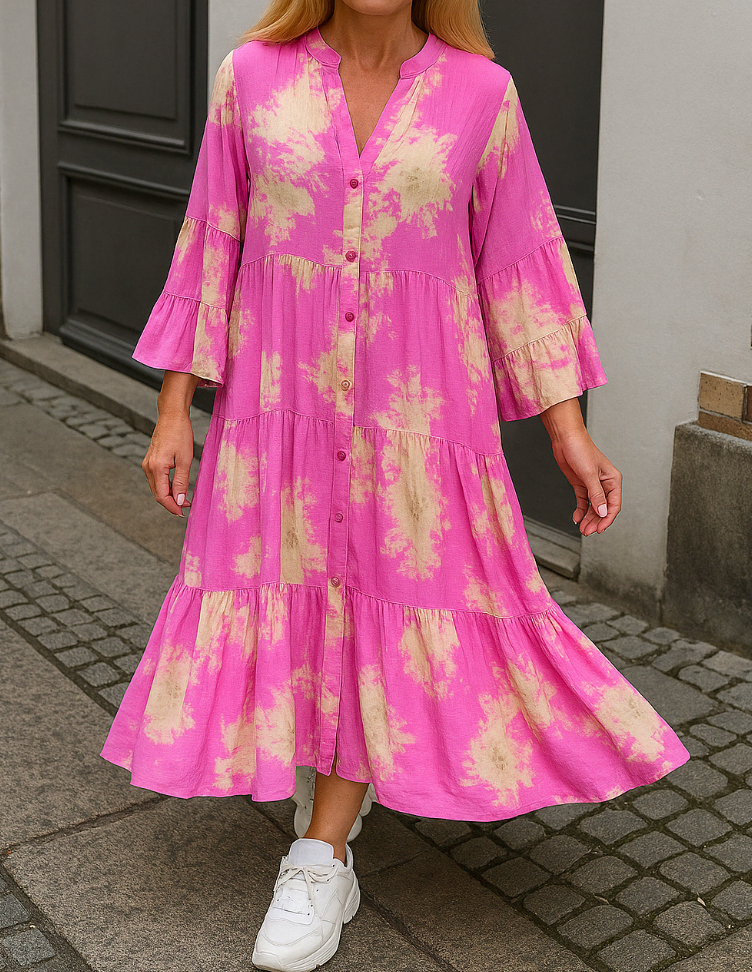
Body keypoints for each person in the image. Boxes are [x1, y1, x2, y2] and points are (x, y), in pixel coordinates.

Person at [100, 0, 691, 969]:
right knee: (301, 594)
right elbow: (212, 240)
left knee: (385, 597)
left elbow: (520, 267)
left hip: (419, 421)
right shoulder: (252, 78)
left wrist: (569, 431)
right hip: (279, 411)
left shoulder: (481, 95)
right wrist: (174, 408)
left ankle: (321, 852)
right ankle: (335, 785)